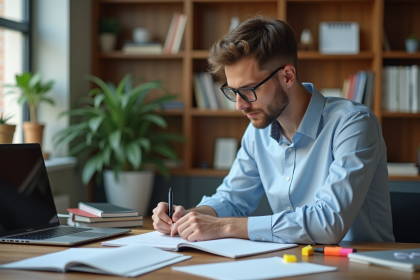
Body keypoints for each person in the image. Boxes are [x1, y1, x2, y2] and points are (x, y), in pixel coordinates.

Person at [152, 17, 395, 244]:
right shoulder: (258, 131)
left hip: (362, 266)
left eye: (248, 90)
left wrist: (225, 227)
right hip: (293, 263)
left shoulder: (353, 124)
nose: (239, 105)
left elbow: (328, 223)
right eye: (233, 92)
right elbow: (232, 199)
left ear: (287, 76)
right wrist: (188, 217)